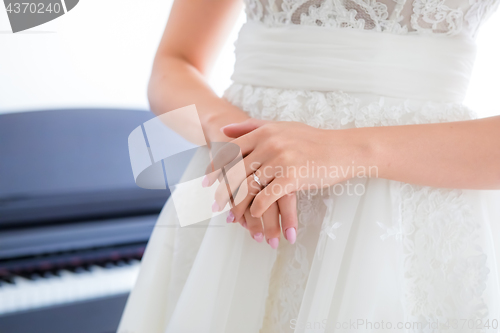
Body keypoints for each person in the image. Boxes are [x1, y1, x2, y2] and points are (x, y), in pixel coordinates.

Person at [118, 0, 500, 332]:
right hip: (240, 200)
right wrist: (235, 142)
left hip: (402, 214)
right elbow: (173, 62)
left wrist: (350, 150)